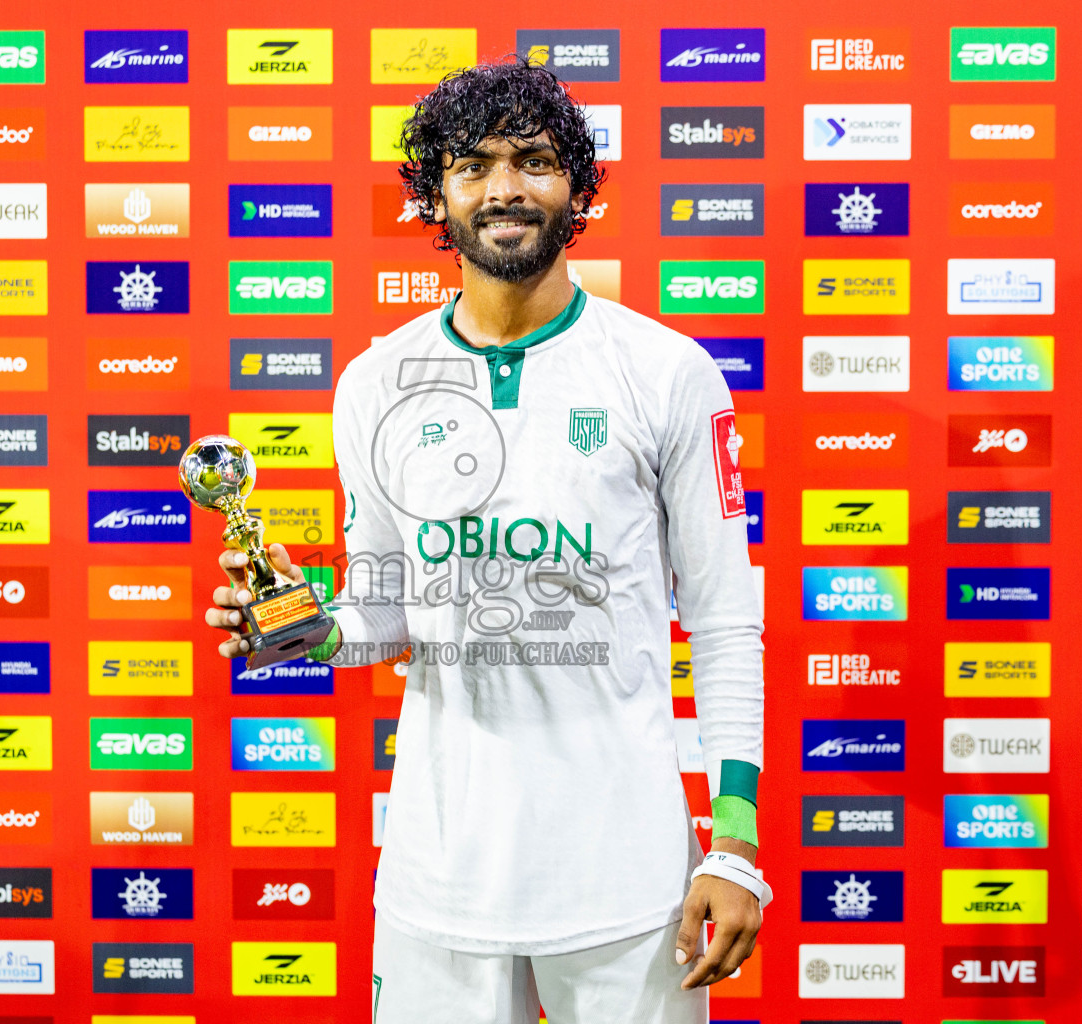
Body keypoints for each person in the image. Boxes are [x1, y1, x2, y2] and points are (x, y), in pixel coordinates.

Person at [205, 56, 767, 1024]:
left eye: (535, 161)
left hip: (627, 879)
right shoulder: (379, 380)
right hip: (440, 877)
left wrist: (736, 843)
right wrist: (301, 627)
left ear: (579, 185)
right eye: (473, 165)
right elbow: (386, 615)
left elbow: (721, 624)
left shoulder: (664, 371)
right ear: (437, 194)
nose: (505, 188)